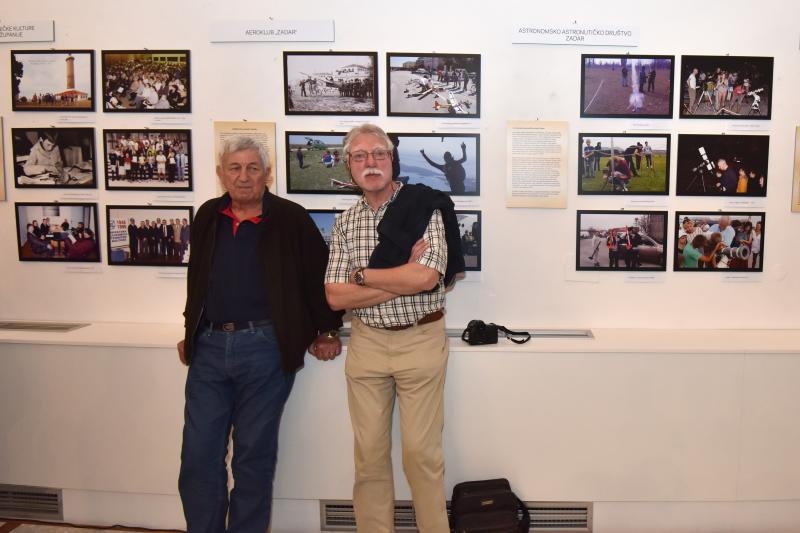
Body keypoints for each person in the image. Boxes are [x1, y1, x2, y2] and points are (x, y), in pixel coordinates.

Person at [177, 135, 344, 532]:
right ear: (221, 174)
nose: (244, 176)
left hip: (265, 348)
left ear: (267, 173)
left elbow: (317, 276)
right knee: (199, 456)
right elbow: (197, 278)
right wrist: (191, 327)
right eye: (234, 168)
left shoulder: (290, 218)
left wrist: (327, 330)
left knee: (253, 457)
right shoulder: (206, 216)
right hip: (210, 348)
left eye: (253, 167)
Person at [324, 123, 464, 533]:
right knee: (368, 456)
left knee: (421, 456)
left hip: (421, 339)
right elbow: (334, 297)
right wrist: (398, 273)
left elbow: (425, 279)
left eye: (379, 155)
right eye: (361, 156)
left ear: (392, 160)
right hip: (367, 345)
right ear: (349, 166)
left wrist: (362, 277)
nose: (371, 163)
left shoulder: (425, 206)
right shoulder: (347, 222)